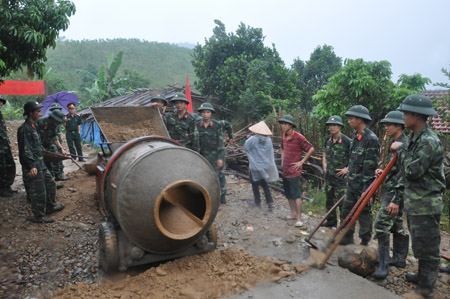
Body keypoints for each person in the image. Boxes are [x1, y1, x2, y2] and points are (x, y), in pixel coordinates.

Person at [391, 95, 445, 298]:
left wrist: (400, 149)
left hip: (427, 202)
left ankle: (426, 286)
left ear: (417, 116)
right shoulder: (415, 137)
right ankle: (422, 276)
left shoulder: (429, 141)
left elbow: (412, 171)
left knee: (428, 245)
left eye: (406, 113)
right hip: (416, 200)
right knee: (420, 241)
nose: (403, 117)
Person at [372, 111, 409, 279]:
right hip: (392, 189)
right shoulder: (396, 142)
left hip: (396, 193)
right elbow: (395, 169)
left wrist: (395, 200)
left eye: (389, 124)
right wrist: (383, 172)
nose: (386, 127)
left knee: (381, 224)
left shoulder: (404, 144)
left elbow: (405, 173)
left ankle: (383, 265)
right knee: (397, 226)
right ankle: (400, 259)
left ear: (399, 126)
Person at [18, 101, 64, 223]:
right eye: (38, 111)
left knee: (51, 184)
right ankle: (38, 216)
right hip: (34, 165)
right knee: (39, 191)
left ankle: (51, 206)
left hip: (41, 163)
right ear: (30, 113)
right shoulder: (24, 129)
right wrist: (31, 165)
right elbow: (25, 149)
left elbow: (38, 146)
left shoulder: (33, 126)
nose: (40, 113)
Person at [340, 105, 380, 245]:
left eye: (351, 118)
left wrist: (367, 191)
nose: (349, 121)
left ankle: (364, 241)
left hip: (364, 186)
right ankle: (346, 238)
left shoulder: (371, 139)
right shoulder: (356, 137)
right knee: (346, 211)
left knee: (363, 214)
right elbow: (353, 162)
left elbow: (370, 168)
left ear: (360, 120)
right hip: (352, 183)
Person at [278, 115, 315, 227]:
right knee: (288, 193)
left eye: (285, 123)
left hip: (295, 171)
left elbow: (311, 148)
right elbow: (282, 149)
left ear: (291, 125)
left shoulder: (299, 137)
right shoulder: (284, 136)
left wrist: (302, 161)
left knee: (296, 194)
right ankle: (293, 213)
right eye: (282, 123)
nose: (283, 125)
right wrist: (282, 161)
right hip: (285, 170)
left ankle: (299, 218)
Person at [321, 115, 351, 227]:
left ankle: (344, 226)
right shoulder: (327, 139)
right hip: (329, 176)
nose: (332, 127)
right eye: (330, 125)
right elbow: (324, 152)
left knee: (342, 203)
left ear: (340, 126)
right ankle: (331, 221)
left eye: (334, 125)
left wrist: (347, 169)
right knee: (329, 200)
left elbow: (355, 158)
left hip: (341, 178)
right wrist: (324, 163)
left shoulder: (347, 141)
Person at [244, 121, 278, 210]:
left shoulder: (253, 139)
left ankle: (257, 202)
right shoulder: (269, 140)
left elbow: (246, 147)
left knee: (255, 184)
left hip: (255, 166)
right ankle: (270, 203)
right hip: (265, 165)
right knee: (264, 184)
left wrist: (248, 139)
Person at [196, 103, 225, 203]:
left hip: (216, 155)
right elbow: (196, 141)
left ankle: (222, 195)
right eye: (203, 112)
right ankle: (209, 196)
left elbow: (220, 142)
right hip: (203, 155)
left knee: (219, 175)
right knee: (205, 175)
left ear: (211, 114)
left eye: (208, 112)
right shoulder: (197, 125)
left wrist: (220, 158)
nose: (205, 114)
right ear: (200, 113)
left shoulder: (216, 125)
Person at [36, 109, 69, 189]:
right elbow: (34, 138)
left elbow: (54, 136)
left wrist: (61, 149)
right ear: (53, 119)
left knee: (49, 166)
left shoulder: (54, 125)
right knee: (41, 167)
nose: (59, 124)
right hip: (38, 148)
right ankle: (42, 187)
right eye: (58, 121)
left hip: (47, 146)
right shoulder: (39, 122)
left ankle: (51, 184)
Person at [0, 96, 17, 197]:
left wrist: (9, 142)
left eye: (1, 104)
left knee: (10, 165)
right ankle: (2, 189)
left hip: (4, 145)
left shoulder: (0, 115)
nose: (0, 105)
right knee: (2, 168)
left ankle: (7, 186)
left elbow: (3, 131)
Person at [47, 103, 68, 181]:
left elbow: (55, 136)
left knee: (59, 158)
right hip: (50, 145)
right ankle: (54, 178)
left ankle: (59, 175)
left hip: (57, 142)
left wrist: (60, 148)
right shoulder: (45, 123)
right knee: (53, 160)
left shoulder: (56, 123)